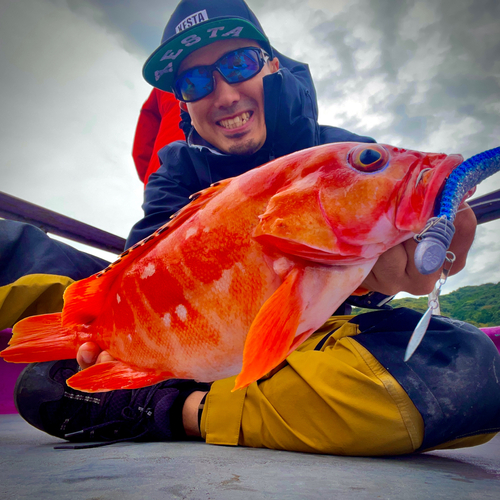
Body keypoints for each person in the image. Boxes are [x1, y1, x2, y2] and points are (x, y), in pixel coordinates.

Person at [14, 0, 499, 454]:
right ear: (183, 103)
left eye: (240, 64)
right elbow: (146, 261)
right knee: (39, 373)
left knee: (472, 370)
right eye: (196, 82)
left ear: (272, 65)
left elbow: (392, 271)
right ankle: (195, 391)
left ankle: (177, 410)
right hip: (199, 342)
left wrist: (408, 270)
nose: (223, 94)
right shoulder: (175, 167)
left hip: (313, 346)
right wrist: (118, 339)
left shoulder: (339, 152)